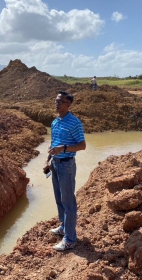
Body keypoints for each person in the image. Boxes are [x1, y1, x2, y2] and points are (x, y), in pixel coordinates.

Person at [43, 91, 86, 251]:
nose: (57, 103)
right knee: (59, 199)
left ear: (69, 105)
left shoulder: (74, 123)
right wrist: (47, 161)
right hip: (55, 164)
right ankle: (63, 227)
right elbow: (53, 143)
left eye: (61, 101)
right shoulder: (55, 122)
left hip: (67, 165)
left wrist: (64, 148)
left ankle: (70, 239)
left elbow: (82, 145)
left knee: (68, 202)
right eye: (56, 100)